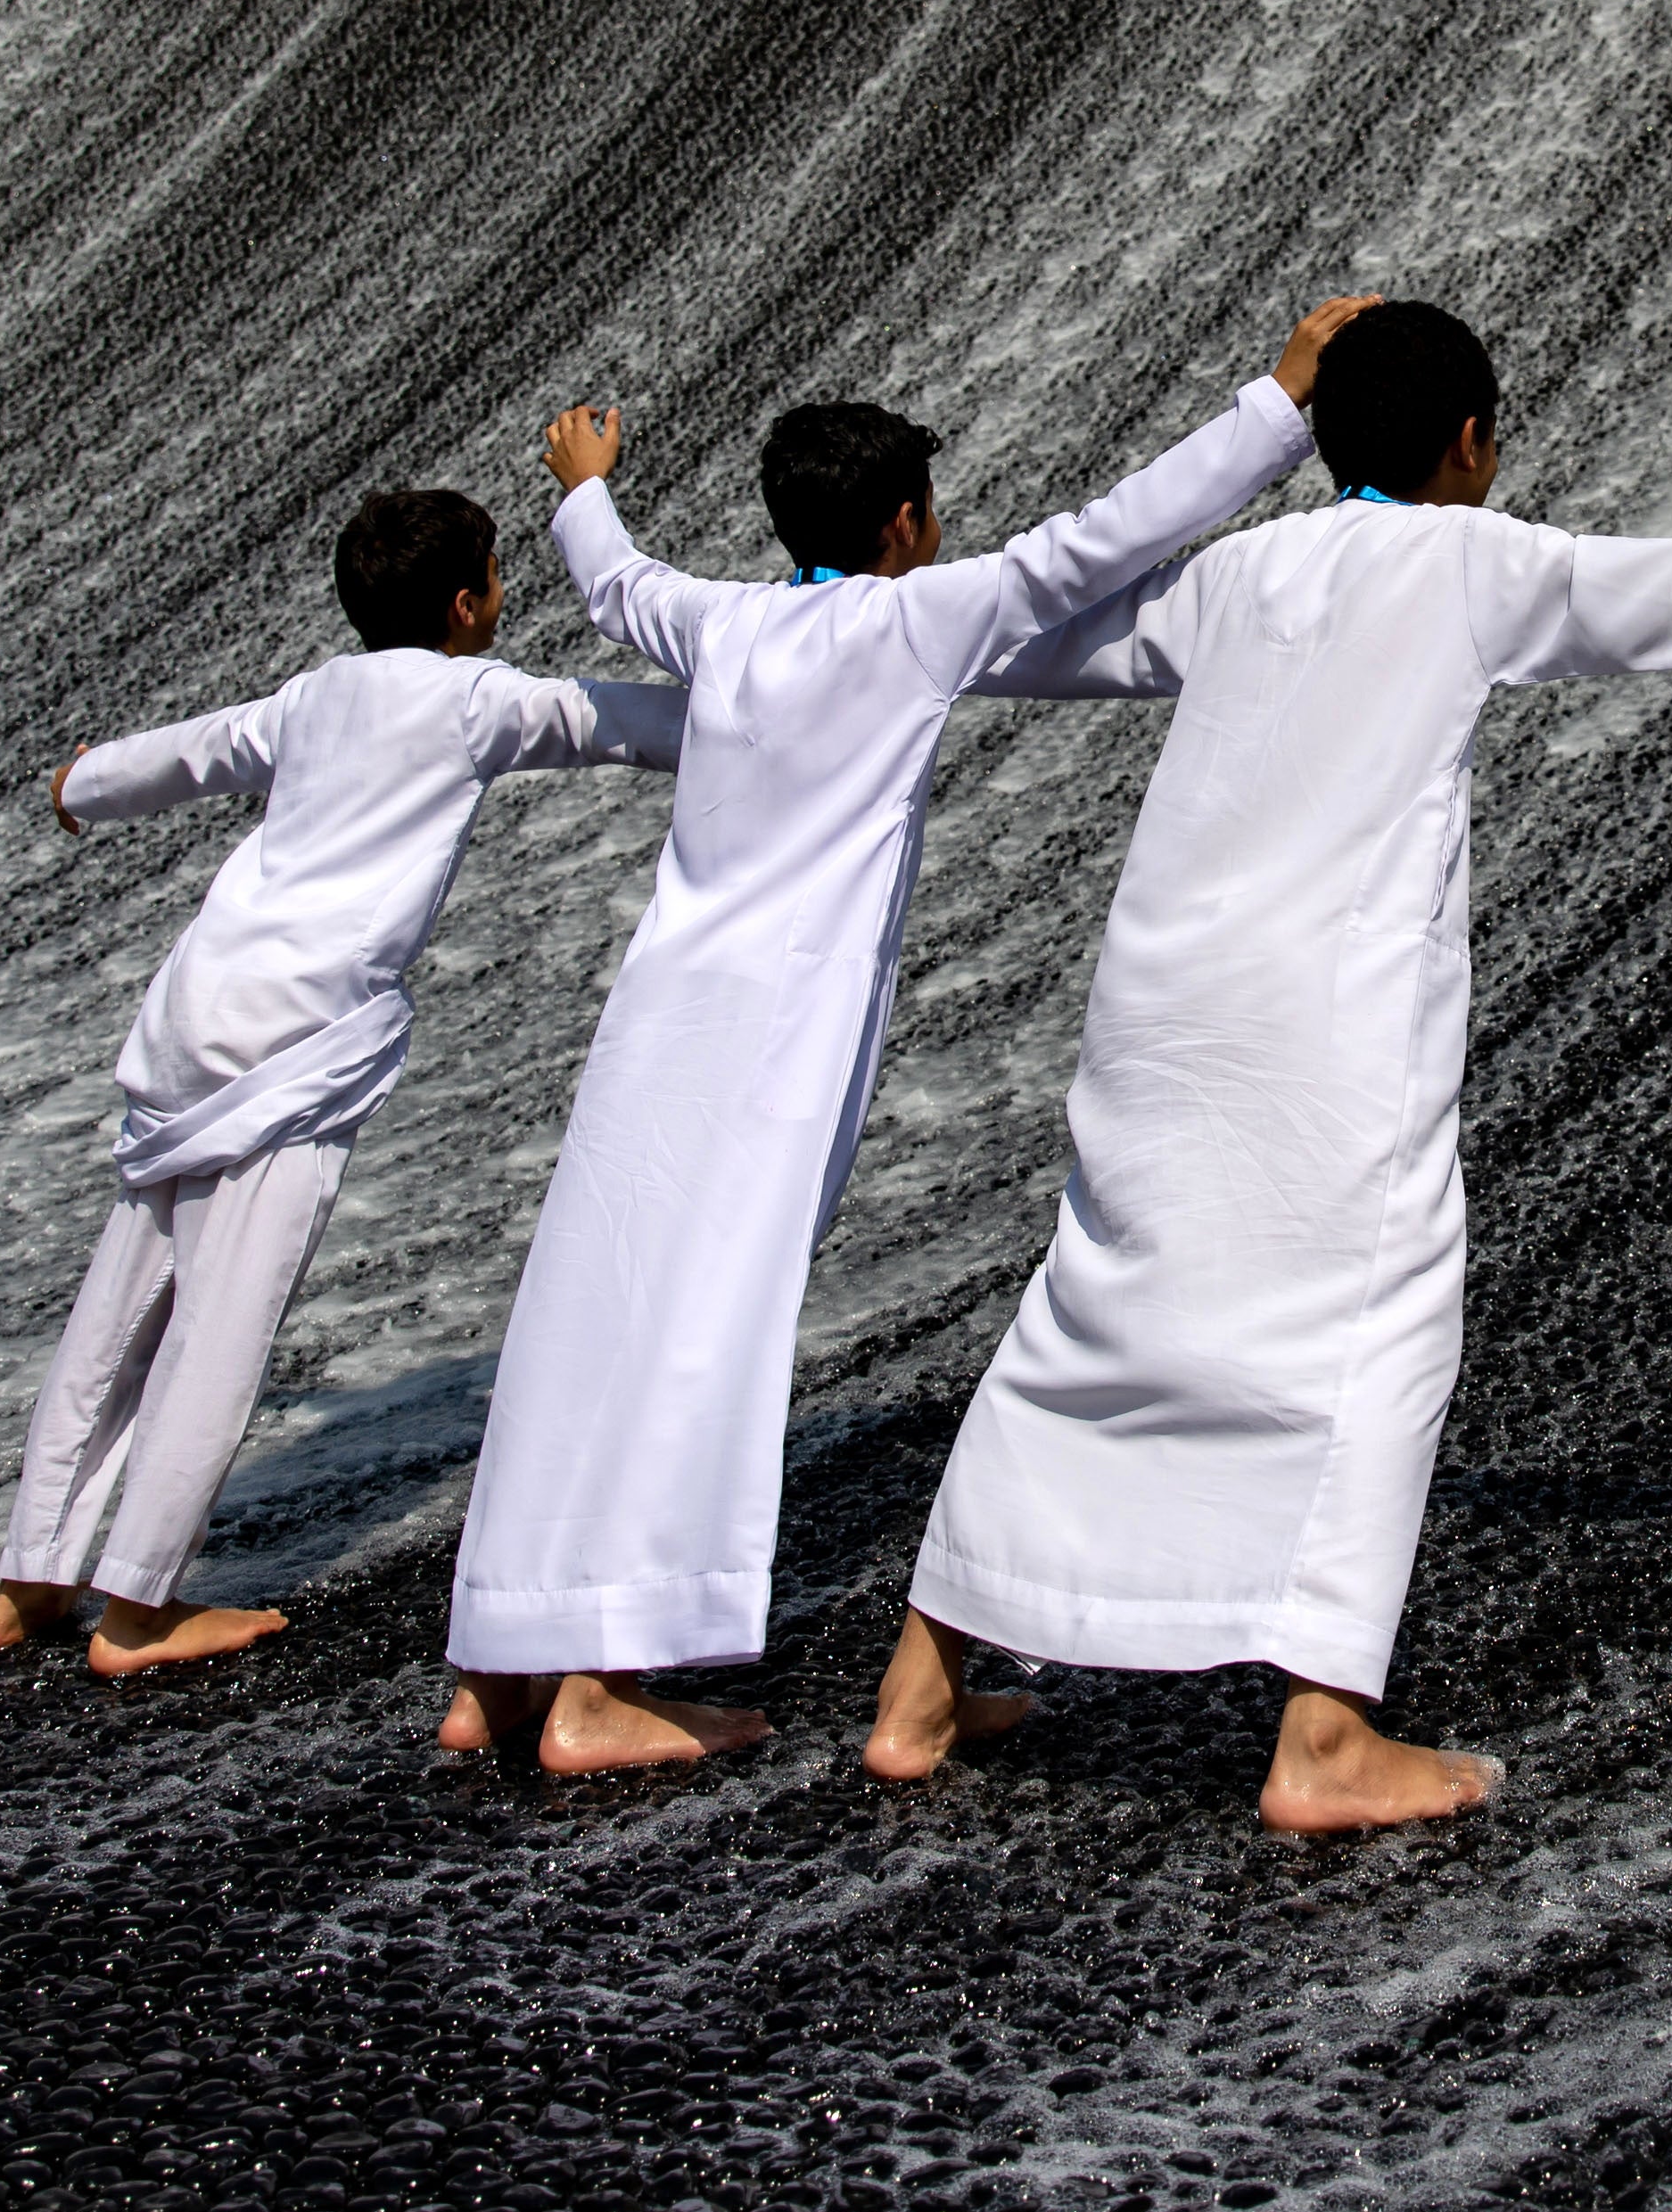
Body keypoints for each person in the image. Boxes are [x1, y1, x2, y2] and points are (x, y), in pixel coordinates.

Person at [865, 300, 1672, 1827]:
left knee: (1088, 1307)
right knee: (1381, 1325)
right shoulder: (1474, 562)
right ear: (1471, 445)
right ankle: (1322, 1739)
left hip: (1160, 1010)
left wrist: (873, 627)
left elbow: (1043, 639)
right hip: (1326, 1021)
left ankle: (920, 1688)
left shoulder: (1235, 574)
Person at [434, 297, 1382, 1772]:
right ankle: (598, 1696)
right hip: (772, 1049)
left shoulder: (722, 619)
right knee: (698, 1334)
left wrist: (580, 485)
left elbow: (618, 584)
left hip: (653, 1026)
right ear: (904, 527)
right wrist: (1282, 399)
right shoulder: (920, 617)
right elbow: (1110, 537)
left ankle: (501, 1663)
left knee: (593, 1304)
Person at [0, 488, 682, 1677]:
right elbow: (622, 724)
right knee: (220, 1327)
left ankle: (33, 1580)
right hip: (291, 1049)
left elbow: (193, 752)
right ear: (471, 606)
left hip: (192, 1013)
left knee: (123, 1305)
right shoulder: (480, 699)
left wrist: (79, 785)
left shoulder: (314, 697)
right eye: (499, 578)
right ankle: (140, 1611)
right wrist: (784, 690)